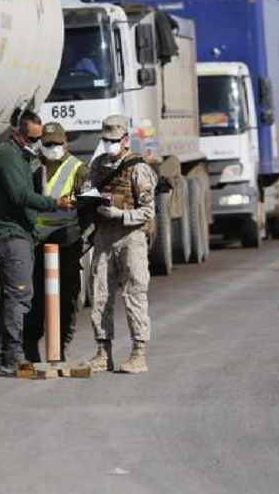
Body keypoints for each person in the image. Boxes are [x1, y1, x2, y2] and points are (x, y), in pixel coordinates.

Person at [0, 110, 72, 376]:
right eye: (32, 138)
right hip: (10, 236)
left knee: (10, 297)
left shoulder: (21, 156)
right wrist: (54, 203)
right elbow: (20, 195)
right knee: (19, 298)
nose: (36, 143)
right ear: (17, 134)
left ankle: (2, 356)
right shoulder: (9, 156)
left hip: (15, 234)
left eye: (38, 138)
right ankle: (13, 358)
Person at [83, 115, 156, 374]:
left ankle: (139, 353)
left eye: (114, 140)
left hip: (130, 235)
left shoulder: (138, 167)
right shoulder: (97, 166)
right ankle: (103, 353)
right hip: (104, 236)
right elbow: (88, 192)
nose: (109, 145)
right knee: (101, 293)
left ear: (125, 140)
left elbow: (148, 210)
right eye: (105, 140)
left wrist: (122, 215)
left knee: (134, 293)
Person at [24, 121, 88, 362]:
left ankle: (60, 347)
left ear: (65, 143)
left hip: (67, 244)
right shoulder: (31, 166)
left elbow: (89, 203)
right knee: (34, 299)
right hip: (36, 244)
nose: (52, 148)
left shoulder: (78, 169)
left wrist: (80, 229)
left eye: (57, 144)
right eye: (47, 144)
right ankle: (31, 347)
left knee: (67, 297)